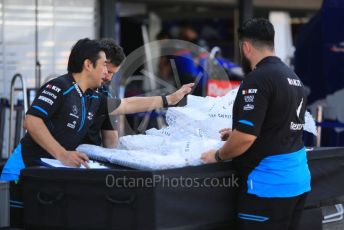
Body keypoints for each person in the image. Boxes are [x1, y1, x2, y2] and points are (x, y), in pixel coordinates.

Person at [201, 18, 311, 230]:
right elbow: (280, 124)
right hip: (298, 181)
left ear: (246, 46)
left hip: (267, 186)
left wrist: (217, 155)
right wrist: (236, 133)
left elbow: (246, 137)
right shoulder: (292, 76)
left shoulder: (257, 79)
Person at [84, 38, 194, 148]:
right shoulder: (69, 88)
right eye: (107, 71)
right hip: (70, 161)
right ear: (89, 64)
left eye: (113, 73)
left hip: (89, 160)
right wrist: (66, 154)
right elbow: (126, 105)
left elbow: (123, 108)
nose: (108, 78)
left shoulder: (105, 92)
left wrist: (169, 99)